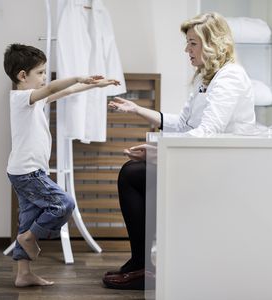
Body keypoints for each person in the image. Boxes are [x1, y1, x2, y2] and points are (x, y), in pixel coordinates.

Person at [102, 12, 256, 290]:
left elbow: (206, 133)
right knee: (135, 174)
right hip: (202, 161)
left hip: (224, 169)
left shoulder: (230, 77)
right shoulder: (205, 79)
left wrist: (155, 152)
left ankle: (143, 265)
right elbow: (183, 125)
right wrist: (137, 110)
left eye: (193, 43)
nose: (187, 50)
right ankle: (144, 264)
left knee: (133, 175)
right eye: (188, 43)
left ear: (213, 44)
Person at [4, 43, 120, 287]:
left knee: (28, 217)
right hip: (28, 172)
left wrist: (93, 84)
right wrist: (78, 75)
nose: (45, 78)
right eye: (41, 73)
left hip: (25, 171)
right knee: (64, 204)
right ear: (22, 76)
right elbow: (53, 88)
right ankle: (29, 238)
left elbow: (63, 92)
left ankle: (23, 273)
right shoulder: (21, 98)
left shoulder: (33, 100)